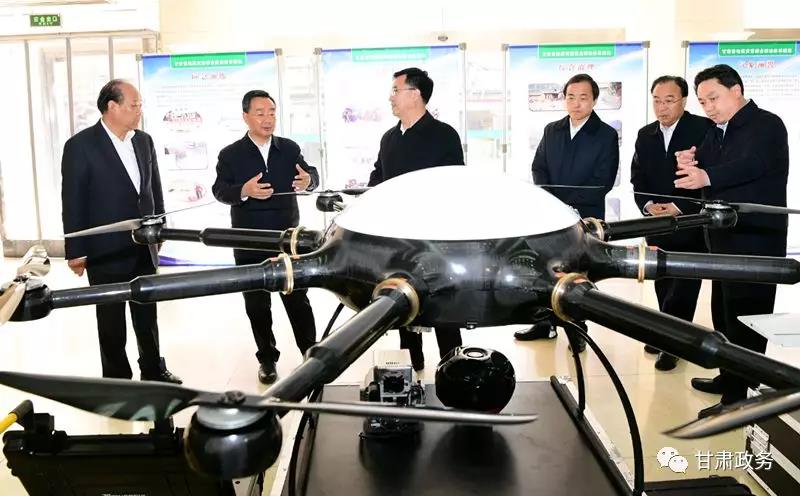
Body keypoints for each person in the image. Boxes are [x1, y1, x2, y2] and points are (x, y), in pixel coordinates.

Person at [674, 64, 789, 418]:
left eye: (714, 98)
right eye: (703, 101)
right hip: (723, 238)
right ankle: (730, 378)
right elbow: (709, 168)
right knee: (723, 315)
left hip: (755, 240)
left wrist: (707, 174)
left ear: (736, 90)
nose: (708, 107)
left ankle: (740, 397)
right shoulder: (716, 131)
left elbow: (752, 165)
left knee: (747, 318)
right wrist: (691, 161)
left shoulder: (767, 124)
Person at [61, 79, 181, 383]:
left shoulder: (144, 141)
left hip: (143, 243)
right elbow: (72, 201)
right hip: (105, 249)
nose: (139, 110)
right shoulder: (80, 146)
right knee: (111, 319)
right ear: (112, 107)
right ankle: (117, 380)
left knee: (147, 313)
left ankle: (153, 370)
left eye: (140, 105)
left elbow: (153, 189)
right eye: (134, 105)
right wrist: (76, 250)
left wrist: (159, 229)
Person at [212, 90, 319, 385]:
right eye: (260, 113)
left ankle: (311, 354)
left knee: (298, 301)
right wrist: (244, 191)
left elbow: (310, 173)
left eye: (272, 112)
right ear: (246, 116)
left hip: (288, 240)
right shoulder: (230, 154)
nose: (267, 118)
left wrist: (310, 180)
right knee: (257, 306)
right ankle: (267, 359)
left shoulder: (289, 148)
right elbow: (220, 190)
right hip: (248, 240)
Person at [368, 67, 463, 371]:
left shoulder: (444, 135)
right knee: (402, 297)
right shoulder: (389, 138)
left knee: (443, 302)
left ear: (415, 94)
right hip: (398, 237)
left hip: (436, 238)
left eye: (396, 90)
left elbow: (454, 185)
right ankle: (412, 360)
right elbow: (378, 177)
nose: (391, 97)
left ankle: (454, 364)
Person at [515, 73, 619, 350]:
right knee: (544, 270)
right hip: (550, 216)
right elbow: (539, 167)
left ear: (594, 100)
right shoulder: (552, 129)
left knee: (579, 274)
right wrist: (552, 201)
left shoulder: (606, 134)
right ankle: (544, 324)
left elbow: (603, 181)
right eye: (570, 97)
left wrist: (567, 205)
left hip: (586, 217)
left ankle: (578, 330)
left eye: (583, 97)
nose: (576, 103)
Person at [630, 75, 714, 371]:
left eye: (669, 100)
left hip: (689, 222)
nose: (661, 107)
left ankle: (674, 344)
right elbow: (637, 177)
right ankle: (666, 332)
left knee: (683, 286)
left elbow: (708, 177)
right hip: (656, 223)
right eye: (656, 100)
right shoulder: (645, 134)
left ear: (684, 100)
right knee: (662, 282)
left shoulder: (703, 129)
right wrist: (648, 206)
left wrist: (679, 207)